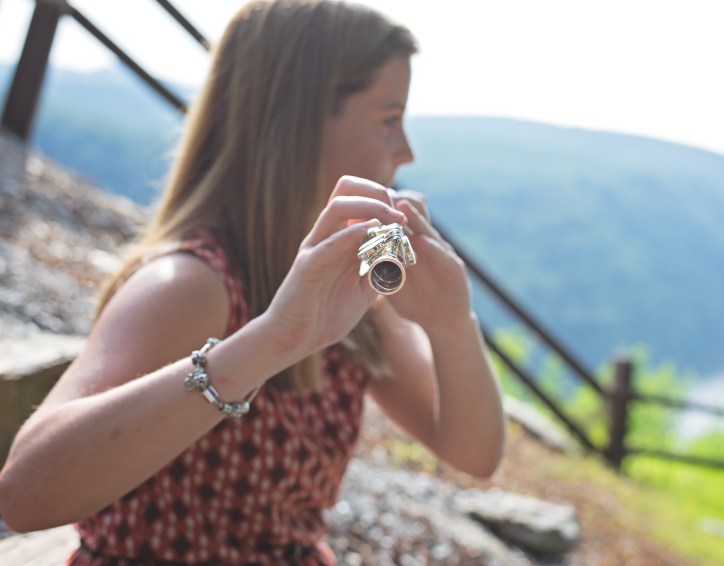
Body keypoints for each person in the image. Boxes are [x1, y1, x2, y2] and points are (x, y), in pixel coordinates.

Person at [0, 0, 505, 563]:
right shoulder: (189, 285)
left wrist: (452, 326)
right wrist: (272, 340)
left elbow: (475, 454)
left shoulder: (349, 289)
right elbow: (24, 496)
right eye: (388, 119)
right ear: (297, 124)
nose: (406, 151)